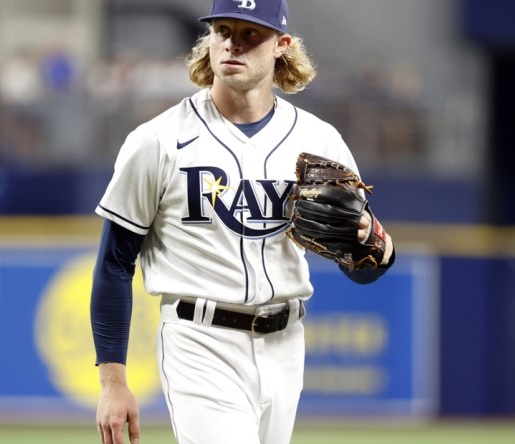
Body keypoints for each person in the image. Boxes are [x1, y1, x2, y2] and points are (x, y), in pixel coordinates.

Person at [90, 1, 395, 443]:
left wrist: (376, 243)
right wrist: (112, 383)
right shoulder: (157, 141)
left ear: (281, 46)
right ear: (209, 39)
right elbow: (114, 263)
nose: (233, 43)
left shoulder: (319, 141)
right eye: (223, 30)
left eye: (251, 34)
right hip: (200, 341)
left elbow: (362, 267)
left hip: (287, 343)